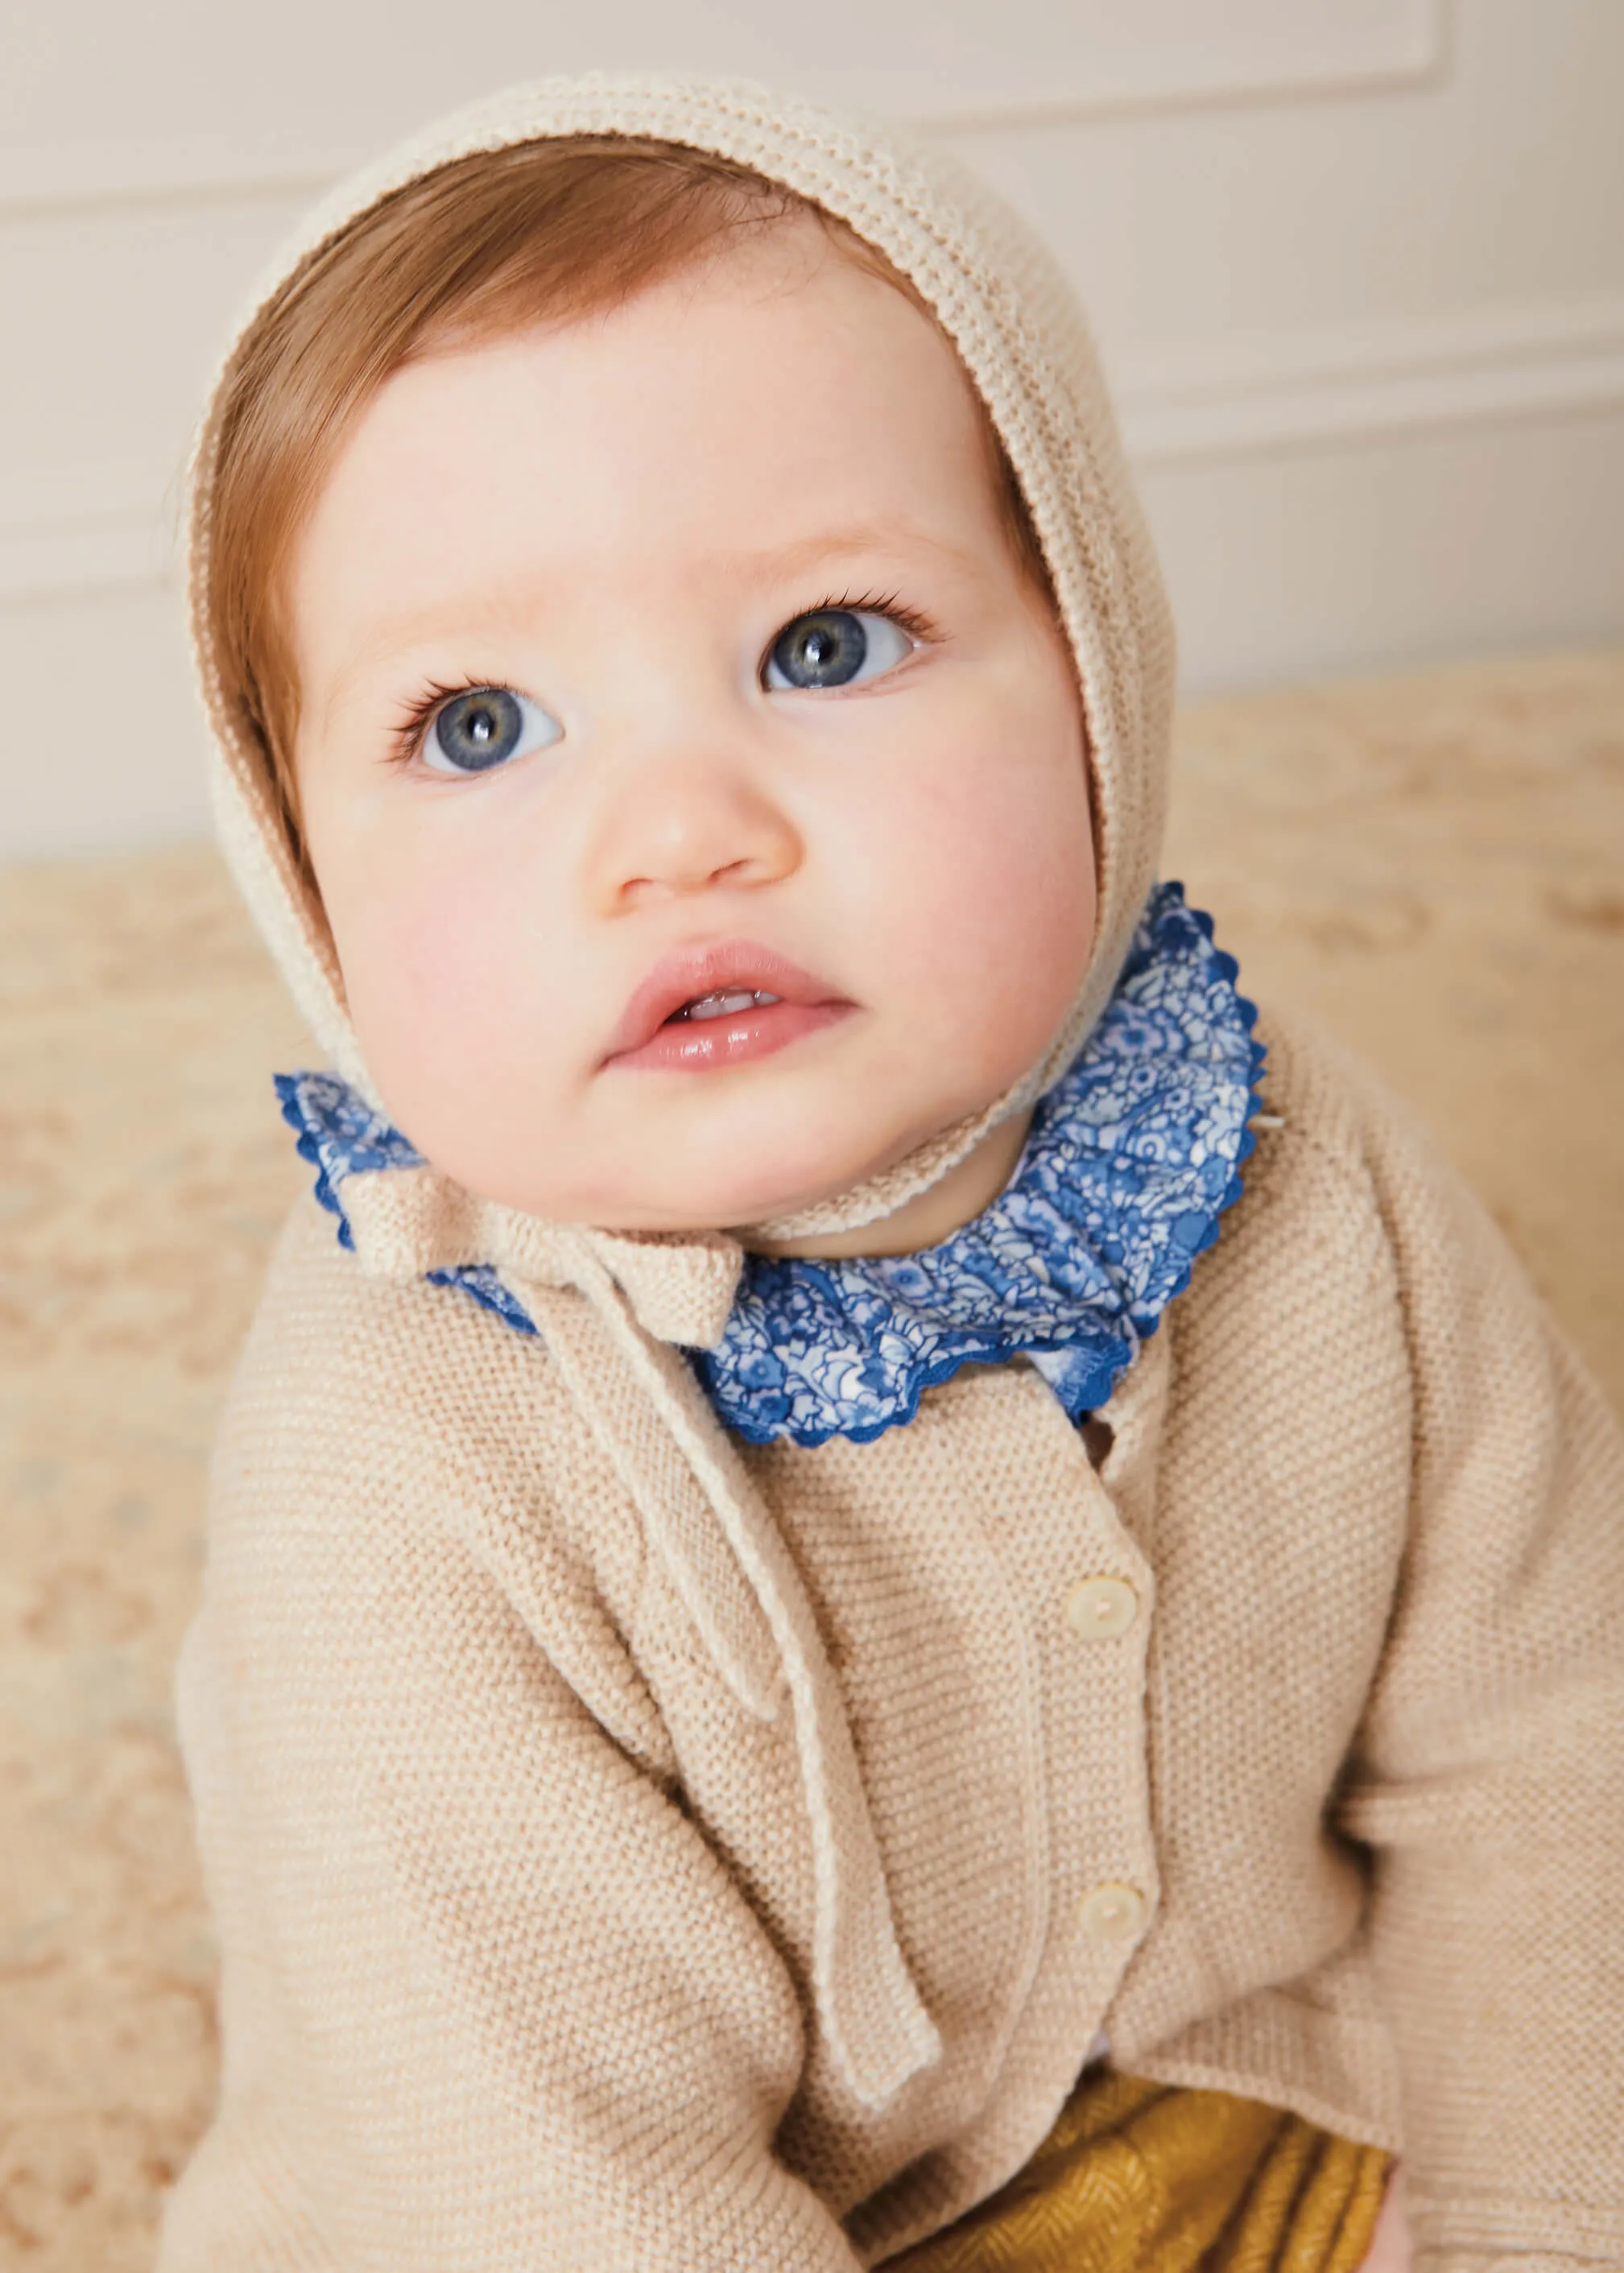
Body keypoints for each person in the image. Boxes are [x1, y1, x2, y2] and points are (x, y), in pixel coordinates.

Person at [159, 73, 1622, 2273]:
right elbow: (550, 2179)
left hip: (1280, 2100)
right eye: (480, 725)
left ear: (1093, 670)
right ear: (298, 863)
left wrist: (1536, 2208)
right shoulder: (400, 1480)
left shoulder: (1290, 1169)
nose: (683, 833)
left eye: (822, 646)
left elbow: (1549, 1744)